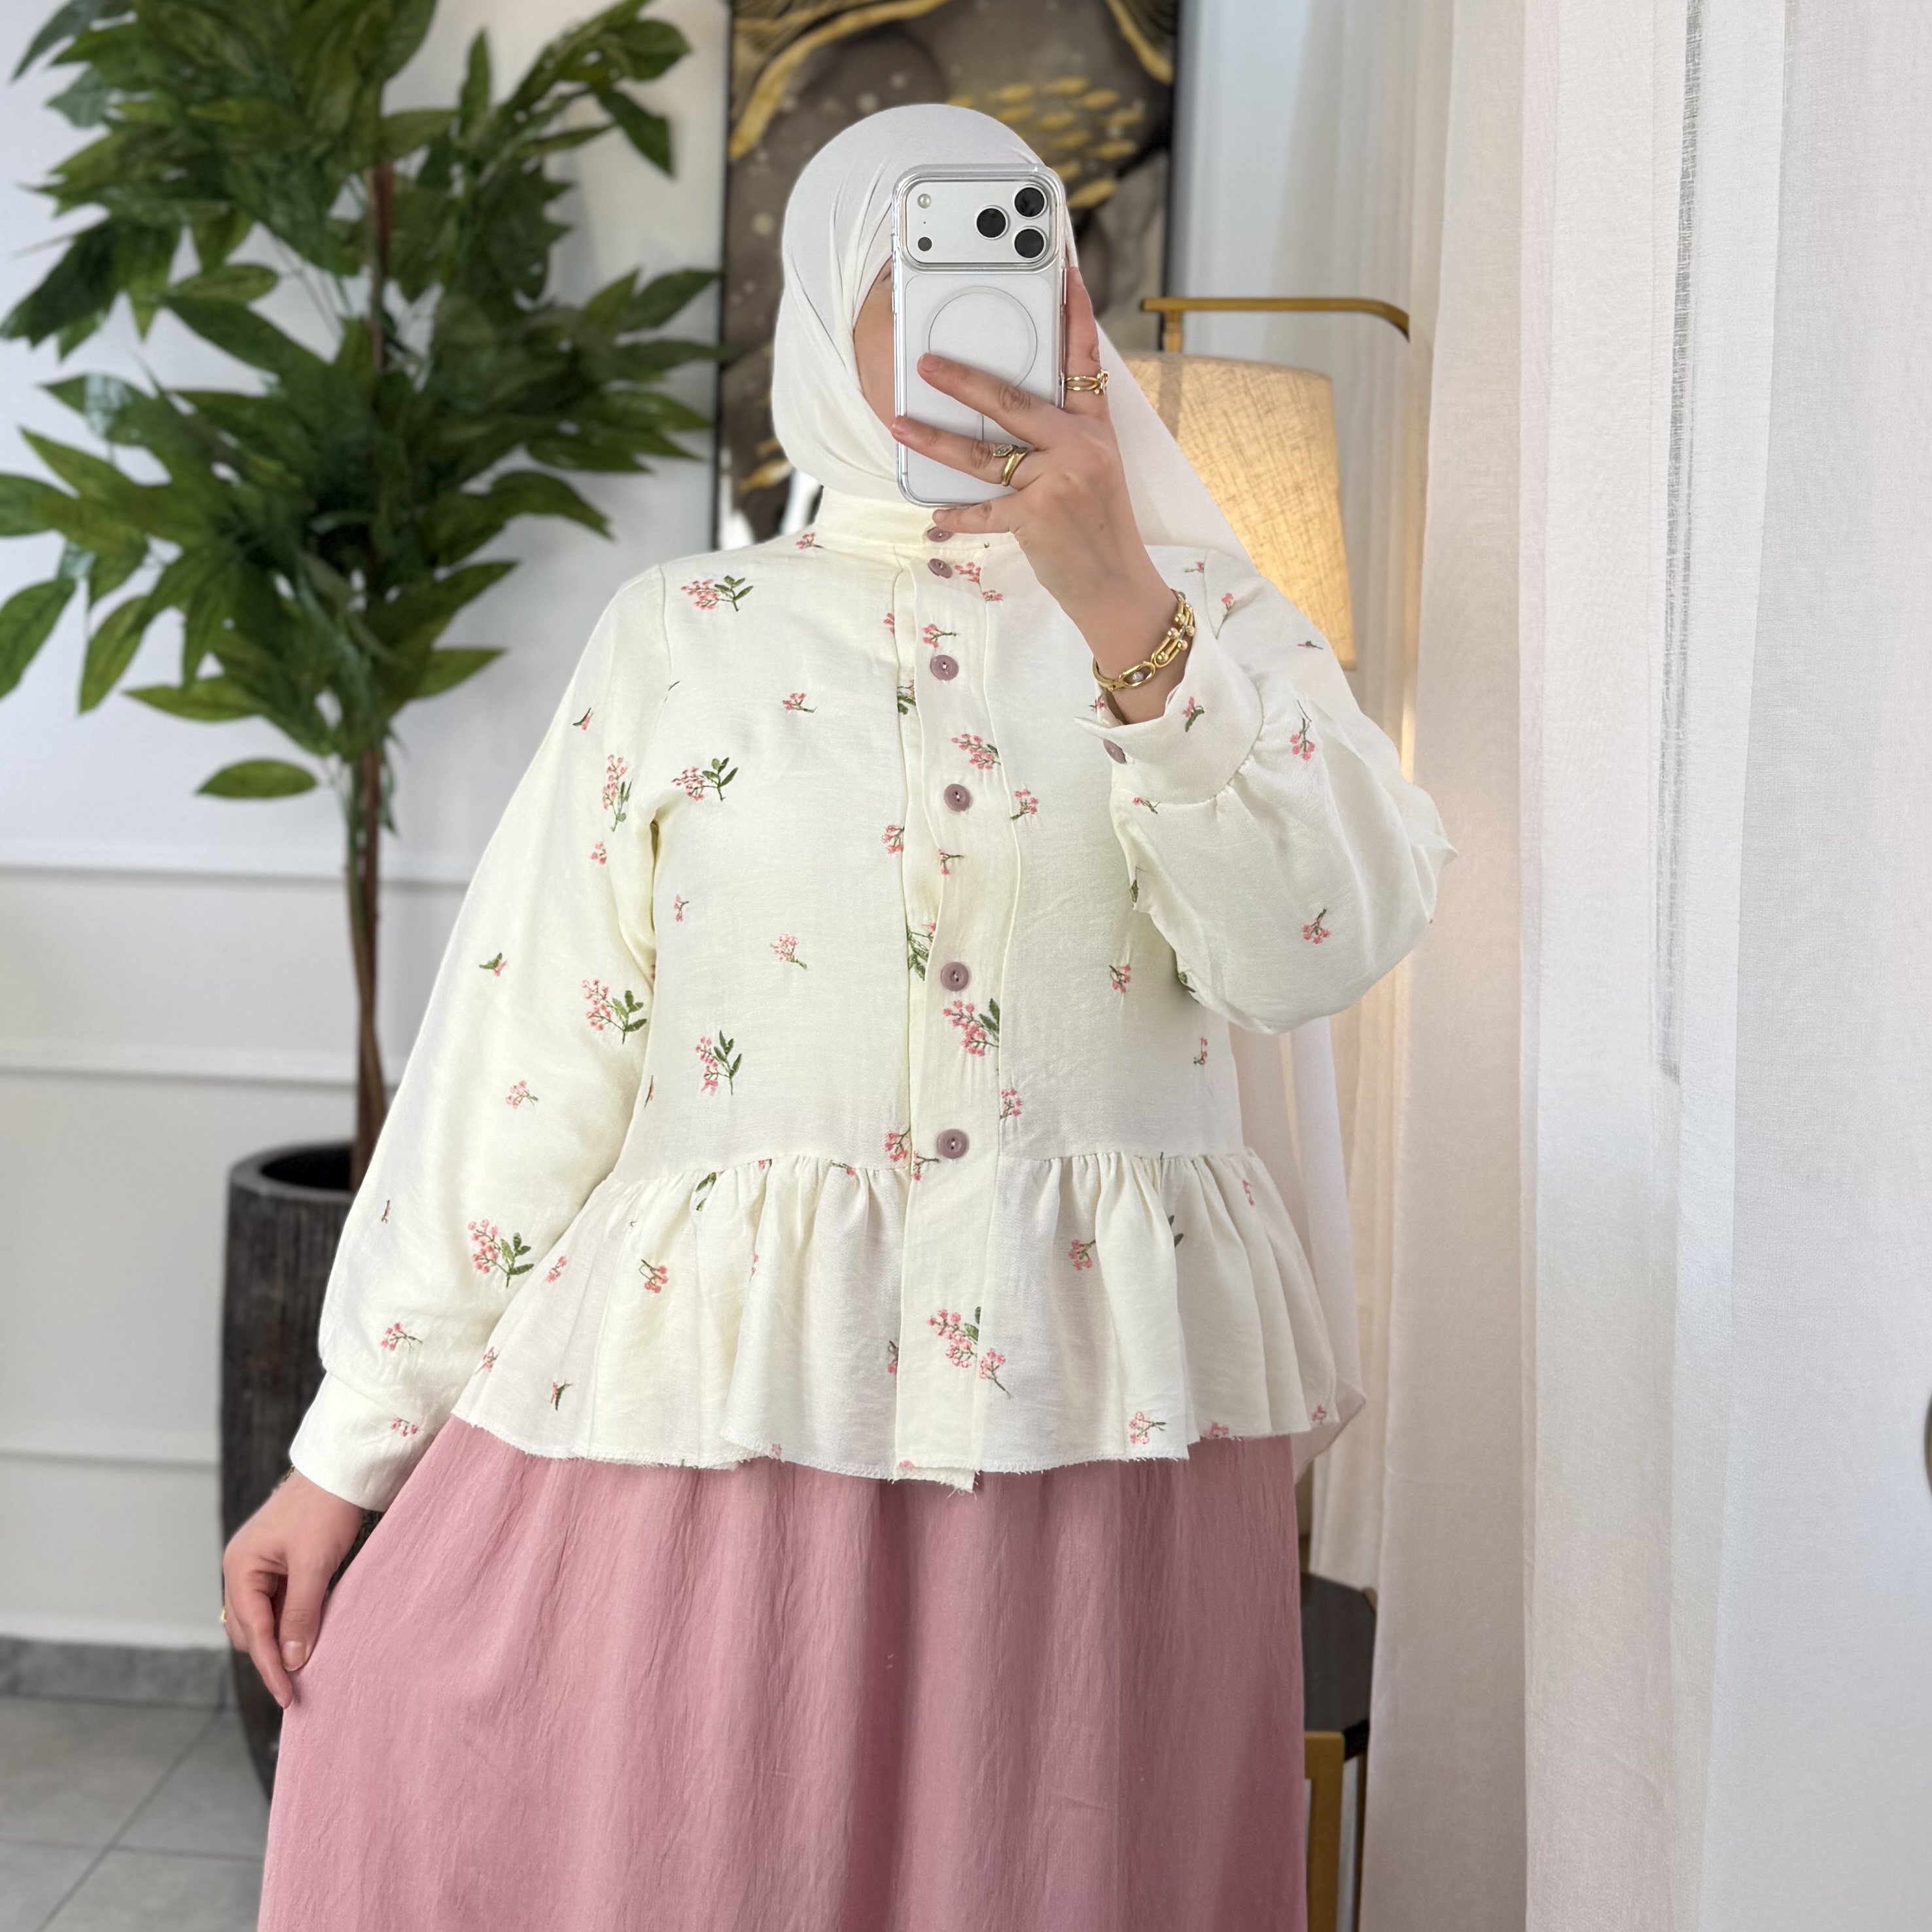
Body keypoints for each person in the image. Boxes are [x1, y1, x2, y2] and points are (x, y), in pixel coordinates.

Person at [235, 104, 1454, 1932]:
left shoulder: (1207, 618)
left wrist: (1123, 608)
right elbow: (531, 1058)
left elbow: (1314, 945)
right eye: (920, 271)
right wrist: (345, 1453)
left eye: (1026, 261)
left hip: (1098, 1420)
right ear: (825, 313)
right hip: (736, 1407)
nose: (983, 319)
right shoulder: (688, 629)